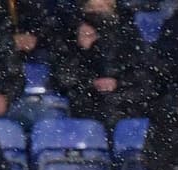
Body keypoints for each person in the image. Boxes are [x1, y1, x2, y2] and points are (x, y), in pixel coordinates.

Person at [50, 0, 154, 129]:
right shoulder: (70, 36)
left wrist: (118, 82)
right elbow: (63, 78)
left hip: (125, 106)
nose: (96, 12)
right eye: (91, 7)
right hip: (86, 108)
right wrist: (83, 50)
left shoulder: (128, 35)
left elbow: (143, 74)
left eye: (101, 6)